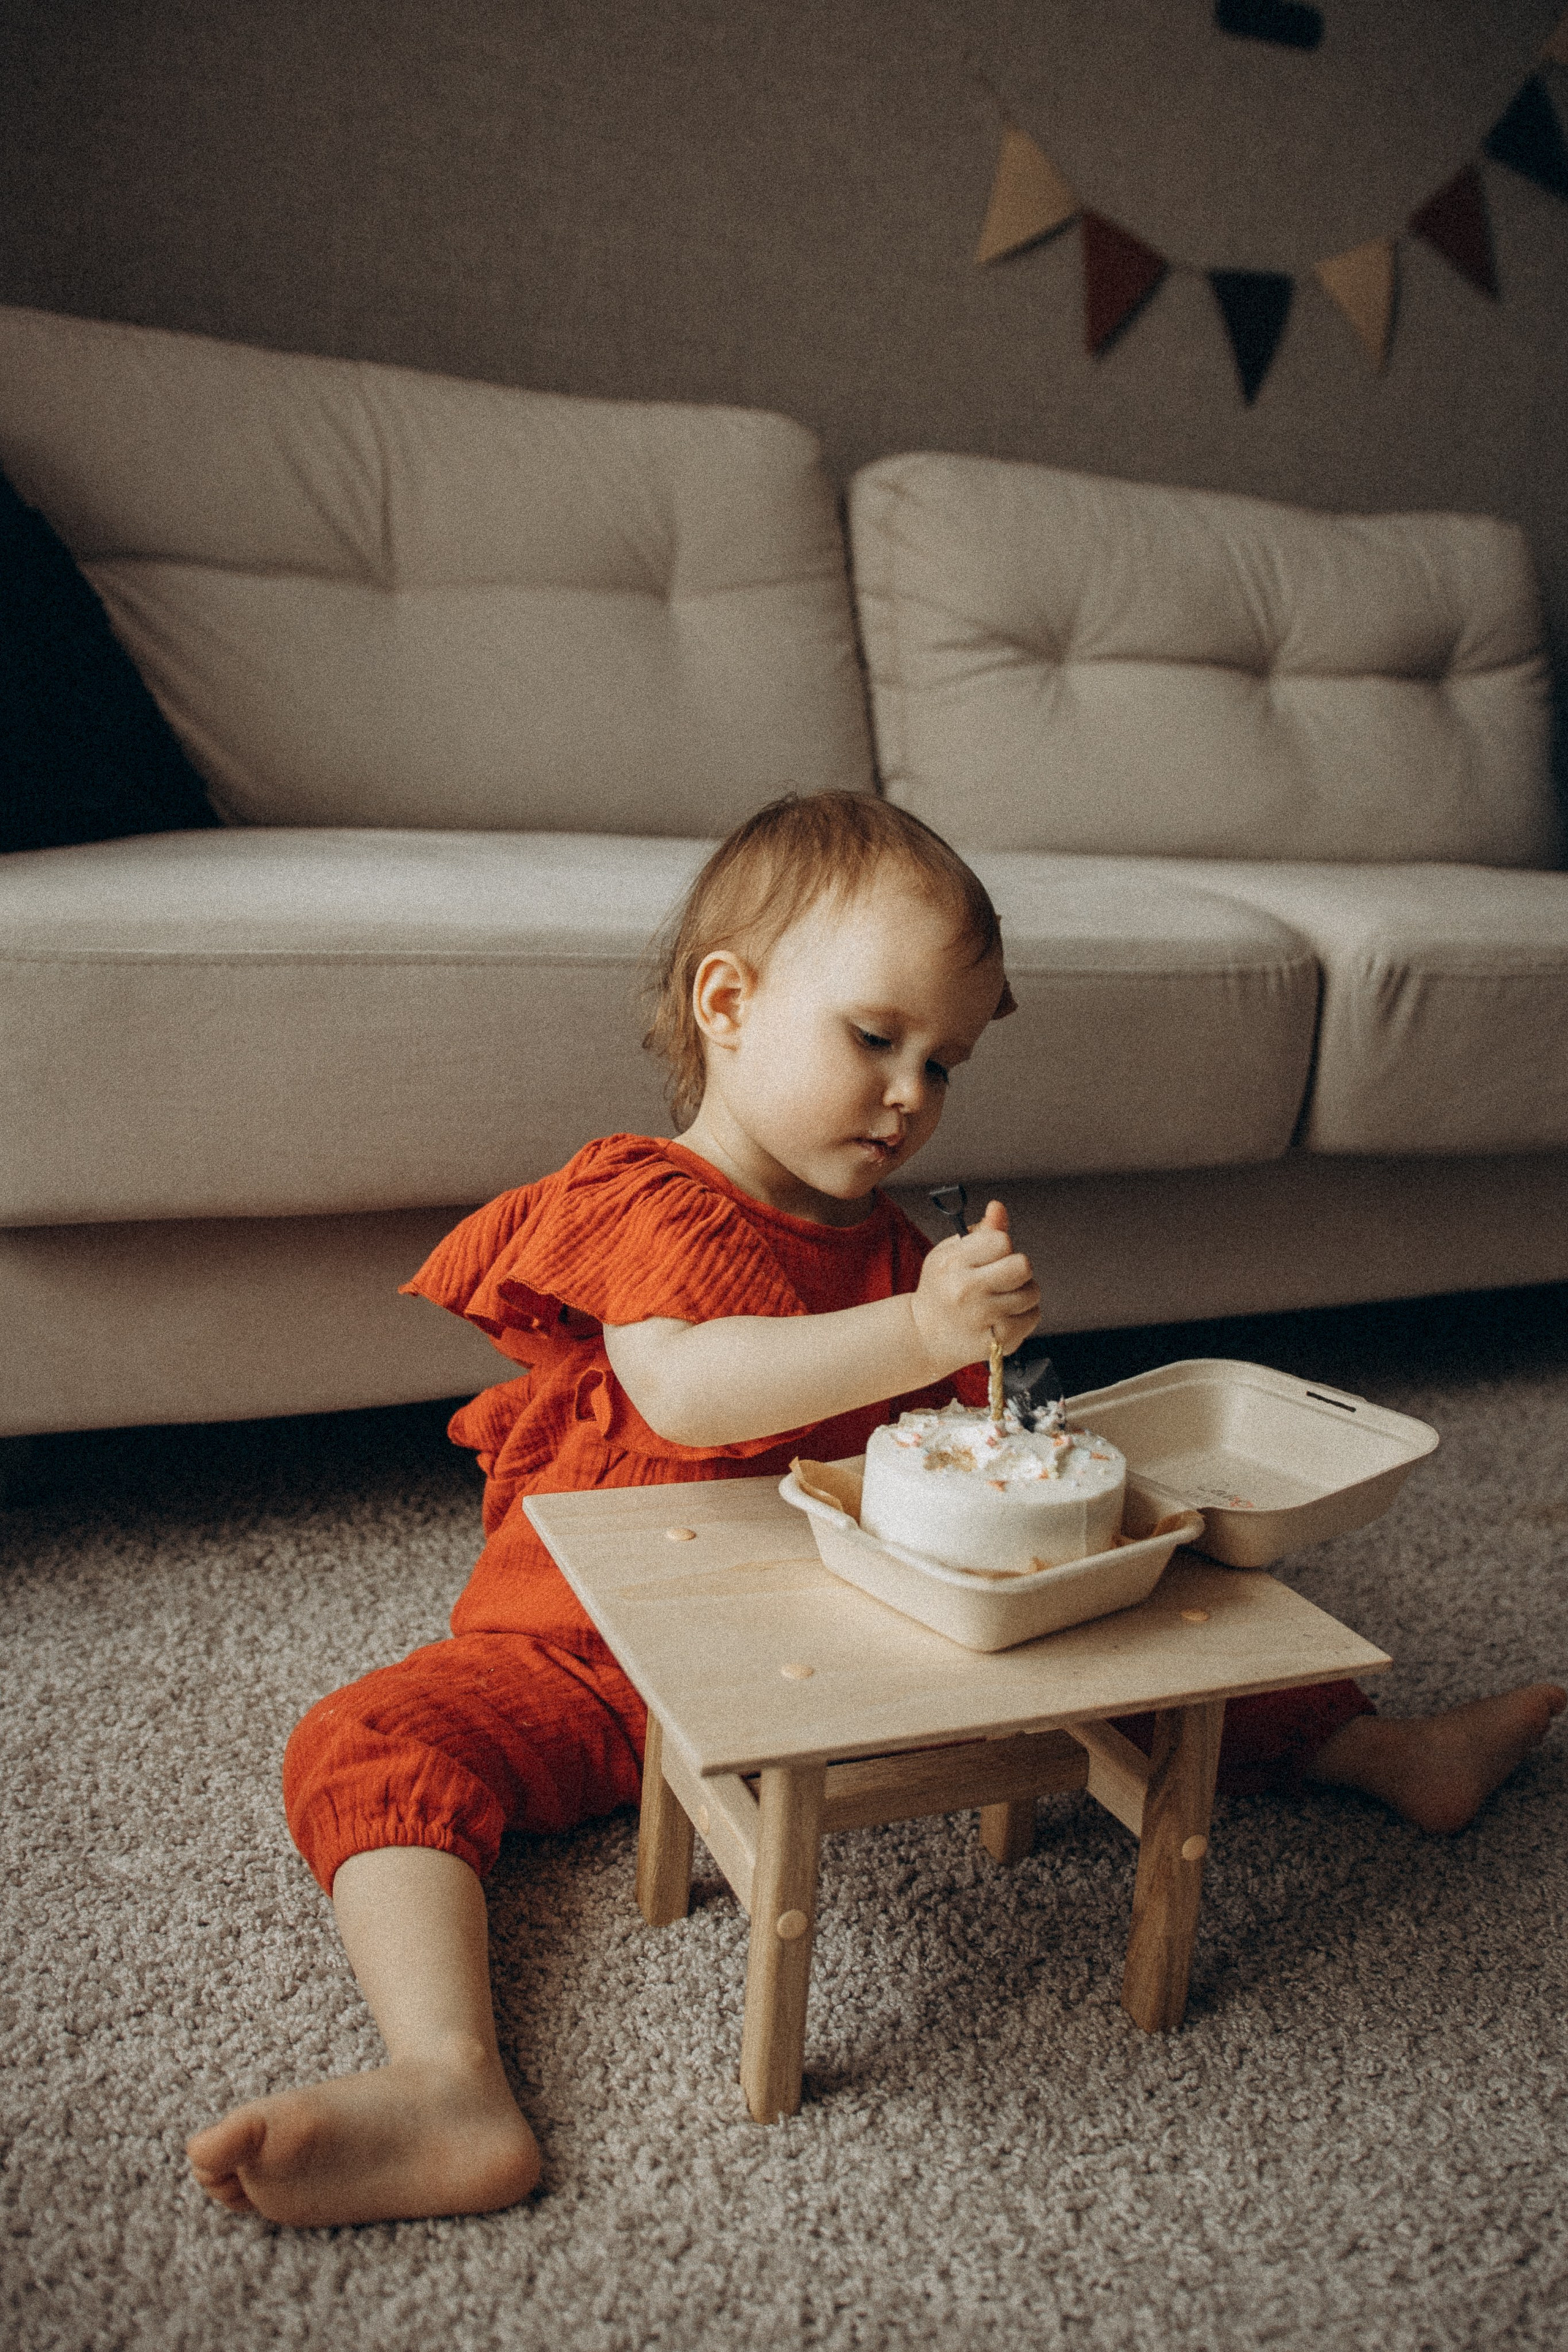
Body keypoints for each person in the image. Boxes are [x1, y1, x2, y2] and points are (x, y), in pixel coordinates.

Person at [187, 792, 1564, 2230]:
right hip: (603, 1646)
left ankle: (1377, 1750)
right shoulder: (650, 1199)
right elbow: (690, 1392)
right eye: (874, 1038)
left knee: (1143, 1624)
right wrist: (917, 1330)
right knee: (375, 1736)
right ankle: (445, 2078)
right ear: (727, 1002)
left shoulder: (898, 1246)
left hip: (852, 1629)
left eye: (945, 1062)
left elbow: (941, 1446)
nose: (911, 1092)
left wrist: (1017, 1428)